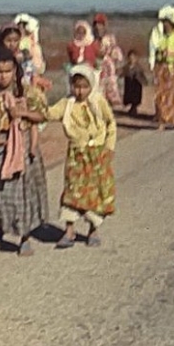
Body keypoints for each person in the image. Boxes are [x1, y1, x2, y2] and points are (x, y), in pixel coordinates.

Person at [0, 50, 50, 256]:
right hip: (0, 148)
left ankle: (24, 237)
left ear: (15, 71)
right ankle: (1, 227)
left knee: (22, 194)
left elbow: (42, 115)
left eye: (7, 71)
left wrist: (23, 113)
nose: (2, 76)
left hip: (24, 146)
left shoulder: (27, 92)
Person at [44, 66, 116, 248]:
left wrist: (109, 147)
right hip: (76, 154)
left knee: (95, 192)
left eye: (84, 87)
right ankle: (69, 229)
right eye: (76, 86)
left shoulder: (98, 102)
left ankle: (93, 230)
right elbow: (49, 113)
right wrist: (34, 105)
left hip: (97, 154)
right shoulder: (67, 104)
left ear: (91, 85)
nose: (80, 91)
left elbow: (110, 123)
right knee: (72, 190)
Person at [92, 13, 124, 110]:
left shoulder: (110, 39)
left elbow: (116, 52)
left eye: (101, 25)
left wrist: (118, 65)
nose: (98, 28)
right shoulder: (91, 40)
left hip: (109, 69)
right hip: (97, 69)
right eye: (96, 25)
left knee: (110, 91)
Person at [121, 50, 147, 117]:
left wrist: (144, 81)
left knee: (135, 98)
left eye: (133, 57)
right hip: (129, 84)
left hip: (136, 85)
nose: (132, 59)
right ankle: (131, 108)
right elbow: (122, 73)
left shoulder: (139, 67)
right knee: (129, 97)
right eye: (130, 57)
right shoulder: (126, 67)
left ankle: (134, 108)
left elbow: (142, 76)